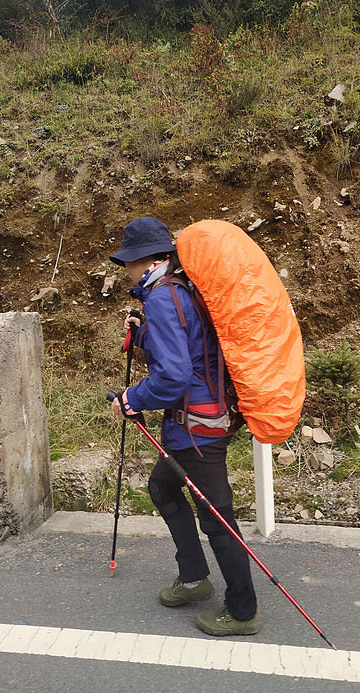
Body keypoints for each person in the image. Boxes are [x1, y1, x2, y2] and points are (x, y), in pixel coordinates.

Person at [109, 216, 261, 637]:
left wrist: (131, 398)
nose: (126, 270)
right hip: (202, 422)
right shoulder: (184, 290)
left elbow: (174, 377)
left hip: (197, 430)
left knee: (217, 518)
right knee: (162, 487)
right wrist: (143, 337)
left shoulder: (161, 298)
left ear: (144, 259)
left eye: (128, 262)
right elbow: (191, 350)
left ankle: (243, 611)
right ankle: (194, 579)